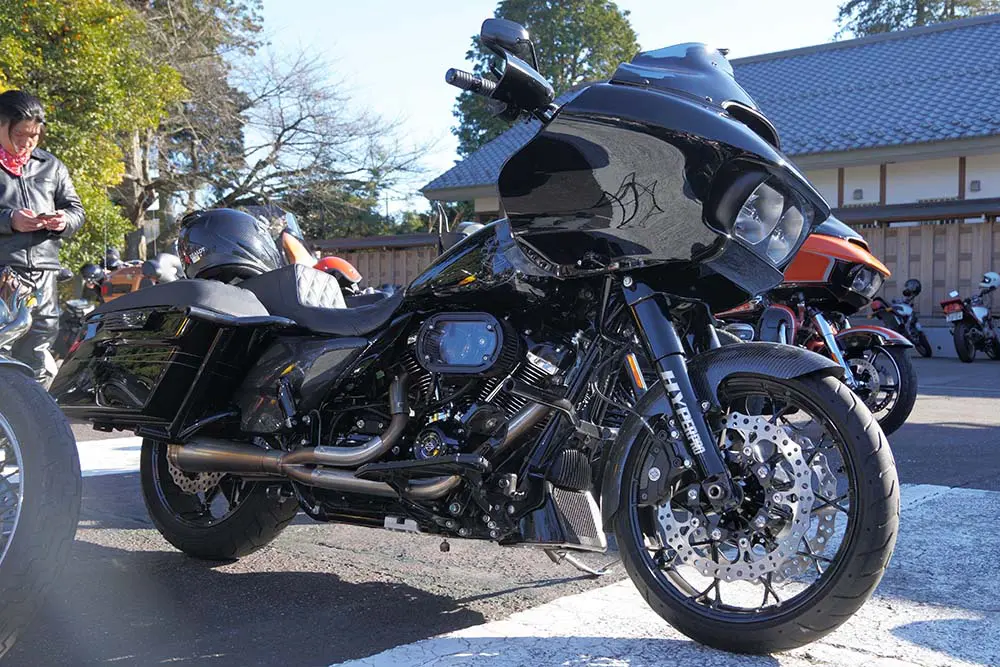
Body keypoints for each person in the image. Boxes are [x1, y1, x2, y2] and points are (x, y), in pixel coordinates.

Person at [0, 90, 85, 384]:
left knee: (40, 341)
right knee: (4, 340)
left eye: (34, 135)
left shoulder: (51, 165)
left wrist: (63, 220)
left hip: (44, 270)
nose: (27, 142)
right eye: (20, 134)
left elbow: (76, 210)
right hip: (4, 269)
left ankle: (31, 409)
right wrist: (10, 220)